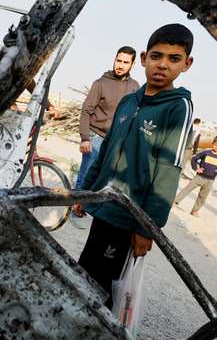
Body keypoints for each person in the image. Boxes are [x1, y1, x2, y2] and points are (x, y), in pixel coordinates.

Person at [72, 24, 194, 306]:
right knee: (84, 273)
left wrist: (147, 228)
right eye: (156, 56)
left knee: (104, 289)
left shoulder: (178, 107)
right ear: (143, 58)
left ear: (186, 64)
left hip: (130, 217)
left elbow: (168, 171)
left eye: (173, 59)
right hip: (103, 205)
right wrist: (85, 193)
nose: (162, 65)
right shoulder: (128, 101)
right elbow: (104, 154)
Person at [73, 46, 140, 192]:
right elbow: (86, 111)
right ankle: (73, 208)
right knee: (85, 176)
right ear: (114, 60)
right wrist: (85, 138)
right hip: (95, 138)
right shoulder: (100, 83)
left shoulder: (135, 87)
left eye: (125, 62)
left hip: (116, 141)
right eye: (118, 60)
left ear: (132, 64)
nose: (120, 65)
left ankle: (89, 207)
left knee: (106, 180)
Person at [174, 135, 217, 217]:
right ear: (213, 144)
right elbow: (194, 159)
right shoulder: (206, 153)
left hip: (210, 180)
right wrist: (196, 168)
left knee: (202, 196)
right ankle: (175, 201)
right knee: (187, 189)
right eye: (215, 145)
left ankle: (195, 210)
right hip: (199, 177)